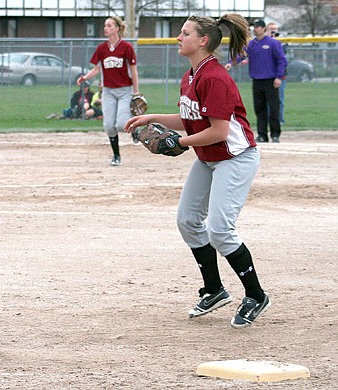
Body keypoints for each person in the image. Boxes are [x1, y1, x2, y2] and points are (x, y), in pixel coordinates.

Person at [125, 14, 270, 328]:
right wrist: (152, 119)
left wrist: (179, 141)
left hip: (234, 158)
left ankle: (256, 295)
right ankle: (215, 289)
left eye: (185, 33)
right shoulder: (190, 76)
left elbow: (219, 131)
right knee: (188, 220)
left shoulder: (215, 77)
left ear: (203, 41)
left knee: (220, 230)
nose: (179, 37)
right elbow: (189, 119)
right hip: (209, 158)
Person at [76, 16, 140, 166]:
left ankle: (135, 129)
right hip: (108, 91)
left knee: (120, 125)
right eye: (105, 26)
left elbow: (133, 70)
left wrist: (136, 91)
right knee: (109, 126)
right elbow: (97, 68)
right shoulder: (102, 49)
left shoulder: (126, 47)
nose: (106, 28)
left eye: (110, 25)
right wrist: (85, 77)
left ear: (117, 28)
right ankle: (116, 156)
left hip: (125, 90)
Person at [226, 20, 286, 143]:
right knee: (260, 109)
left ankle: (275, 134)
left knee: (274, 108)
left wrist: (279, 77)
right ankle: (262, 135)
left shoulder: (273, 43)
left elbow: (281, 60)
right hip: (257, 81)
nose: (255, 29)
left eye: (258, 27)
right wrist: (231, 62)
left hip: (271, 81)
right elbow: (241, 55)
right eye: (254, 27)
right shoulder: (252, 44)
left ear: (264, 29)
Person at [266, 22, 287, 125]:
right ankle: (268, 120)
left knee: (279, 100)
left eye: (275, 29)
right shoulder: (263, 42)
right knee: (266, 101)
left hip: (280, 77)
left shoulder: (281, 43)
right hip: (266, 76)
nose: (273, 31)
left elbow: (283, 58)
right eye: (271, 29)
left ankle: (280, 120)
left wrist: (275, 40)